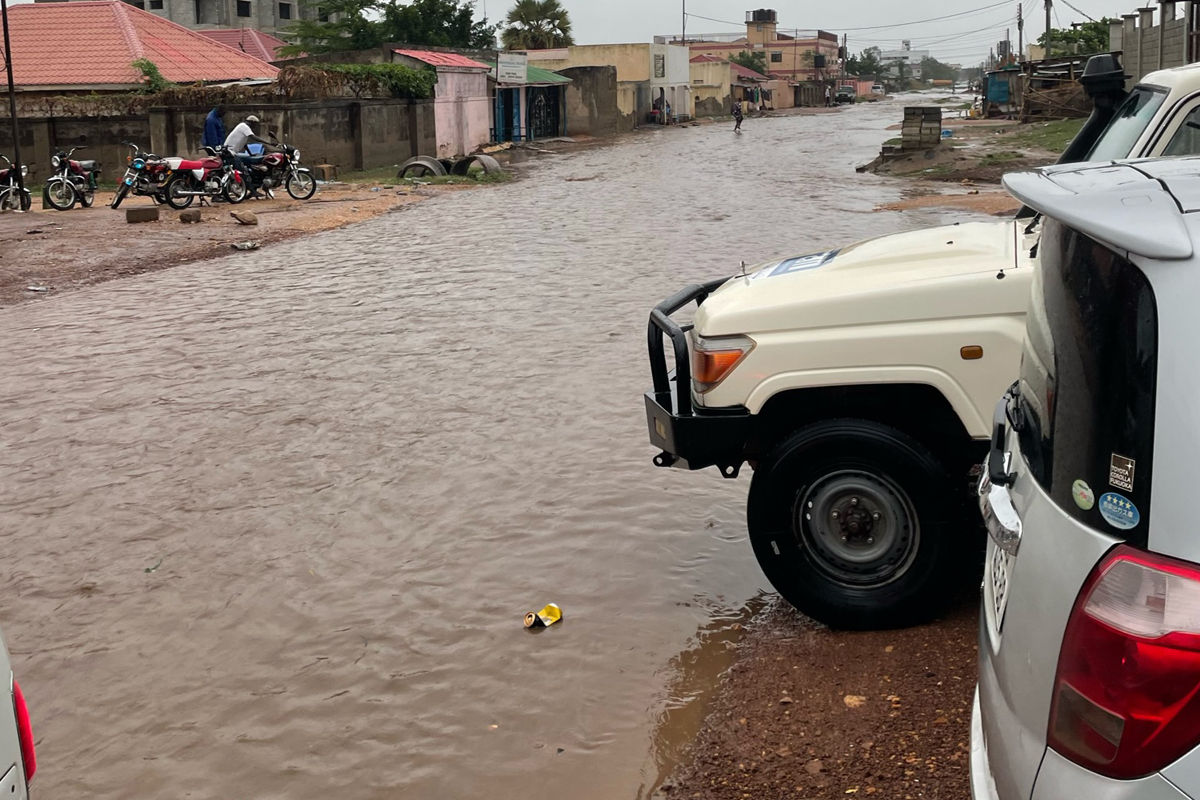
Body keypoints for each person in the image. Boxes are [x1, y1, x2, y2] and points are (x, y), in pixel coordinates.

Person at [224, 115, 271, 195]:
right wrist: (268, 143)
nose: (255, 127)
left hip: (228, 152)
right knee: (243, 171)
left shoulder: (242, 127)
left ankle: (252, 187)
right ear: (251, 122)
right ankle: (252, 191)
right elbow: (253, 137)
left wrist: (250, 154)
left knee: (245, 166)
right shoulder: (244, 127)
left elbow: (244, 144)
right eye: (255, 124)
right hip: (230, 152)